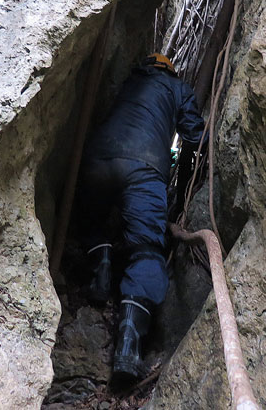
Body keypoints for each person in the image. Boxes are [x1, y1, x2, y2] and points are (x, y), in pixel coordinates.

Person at [77, 53, 205, 382]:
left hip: (97, 158)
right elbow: (194, 135)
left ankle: (101, 271)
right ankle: (127, 350)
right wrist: (187, 178)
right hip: (145, 170)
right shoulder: (177, 87)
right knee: (146, 249)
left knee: (92, 219)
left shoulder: (129, 82)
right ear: (170, 70)